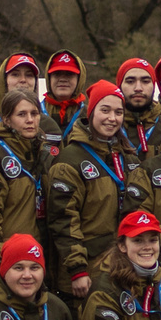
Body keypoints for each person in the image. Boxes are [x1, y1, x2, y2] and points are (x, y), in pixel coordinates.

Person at [47, 80, 143, 295]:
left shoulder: (128, 157)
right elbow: (63, 220)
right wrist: (77, 270)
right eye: (105, 110)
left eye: (119, 112)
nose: (112, 118)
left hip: (124, 264)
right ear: (91, 112)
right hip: (87, 268)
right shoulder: (70, 160)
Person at [0, 89, 53, 277]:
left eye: (34, 113)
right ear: (7, 120)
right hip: (9, 258)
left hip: (39, 255)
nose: (30, 120)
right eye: (21, 114)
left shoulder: (44, 155)